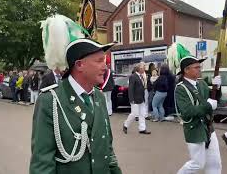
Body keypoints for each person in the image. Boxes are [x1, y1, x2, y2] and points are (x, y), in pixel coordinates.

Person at [29, 38, 122, 174]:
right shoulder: (50, 100)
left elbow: (107, 150)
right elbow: (42, 163)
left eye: (105, 61)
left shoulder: (99, 97)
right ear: (79, 65)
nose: (105, 67)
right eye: (99, 61)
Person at [175, 56, 222, 174]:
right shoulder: (181, 89)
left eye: (199, 67)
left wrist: (218, 88)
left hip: (209, 128)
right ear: (186, 70)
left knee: (215, 163)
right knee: (197, 164)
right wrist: (208, 105)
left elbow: (213, 99)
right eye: (196, 67)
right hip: (195, 130)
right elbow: (187, 111)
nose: (199, 69)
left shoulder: (202, 84)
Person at [123, 62, 151, 135]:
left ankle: (142, 129)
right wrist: (131, 99)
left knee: (142, 114)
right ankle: (125, 125)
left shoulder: (142, 76)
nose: (145, 68)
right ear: (139, 68)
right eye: (143, 67)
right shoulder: (133, 76)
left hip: (141, 98)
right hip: (135, 99)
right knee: (134, 114)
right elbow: (131, 88)